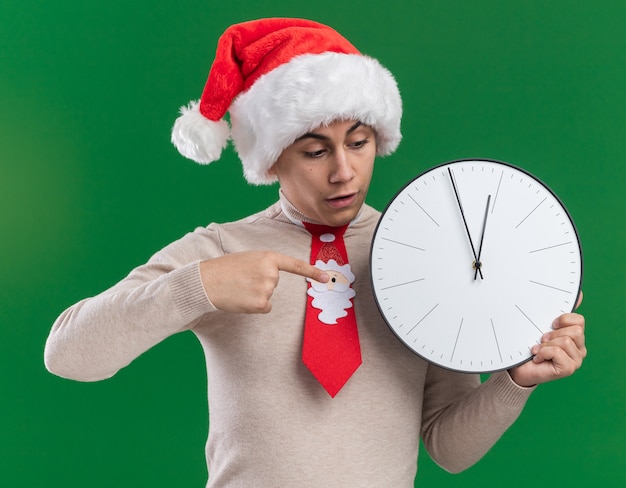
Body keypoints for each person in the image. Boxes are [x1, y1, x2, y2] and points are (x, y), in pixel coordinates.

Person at [44, 18, 586, 487]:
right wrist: (198, 286)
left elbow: (448, 448)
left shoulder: (426, 250)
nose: (343, 172)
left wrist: (517, 381)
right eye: (314, 150)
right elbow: (68, 354)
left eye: (358, 142)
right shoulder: (220, 248)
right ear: (271, 159)